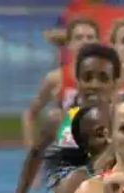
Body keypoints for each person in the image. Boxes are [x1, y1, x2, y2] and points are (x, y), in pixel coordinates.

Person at [3, 43, 120, 193]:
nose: (94, 84)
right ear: (77, 80)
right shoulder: (58, 121)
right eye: (88, 77)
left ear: (115, 84)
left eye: (103, 78)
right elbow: (33, 158)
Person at [22, 18, 100, 147]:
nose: (85, 41)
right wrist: (31, 150)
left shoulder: (111, 77)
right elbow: (30, 114)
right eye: (79, 37)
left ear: (97, 43)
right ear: (69, 44)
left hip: (100, 155)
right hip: (69, 156)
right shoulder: (56, 78)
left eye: (90, 37)